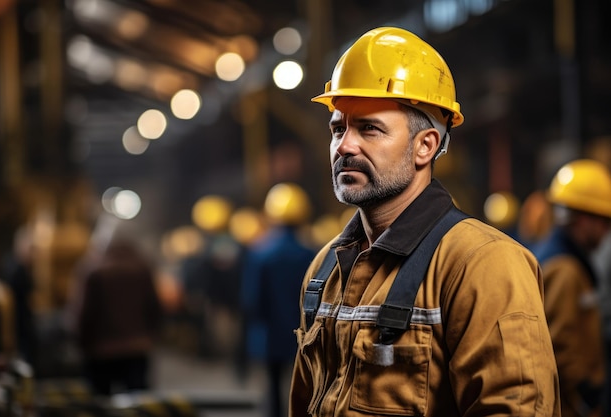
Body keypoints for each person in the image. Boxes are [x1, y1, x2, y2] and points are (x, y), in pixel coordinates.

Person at [289, 27, 560, 416]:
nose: (344, 146)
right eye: (338, 128)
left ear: (425, 146)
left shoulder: (482, 265)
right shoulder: (324, 268)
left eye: (369, 128)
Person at [533, 158, 611, 417]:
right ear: (582, 219)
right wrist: (586, 395)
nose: (606, 231)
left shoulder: (557, 257)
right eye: (603, 221)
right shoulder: (565, 269)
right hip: (568, 406)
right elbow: (559, 345)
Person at [241, 183, 316, 417]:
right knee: (306, 387)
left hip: (270, 333)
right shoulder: (311, 254)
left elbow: (251, 300)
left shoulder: (260, 253)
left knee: (272, 389)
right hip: (304, 333)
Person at [69, 236, 164, 396]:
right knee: (137, 402)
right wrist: (151, 336)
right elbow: (154, 307)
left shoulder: (93, 271)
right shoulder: (142, 269)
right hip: (137, 347)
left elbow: (84, 312)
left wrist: (81, 342)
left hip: (100, 350)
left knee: (101, 403)